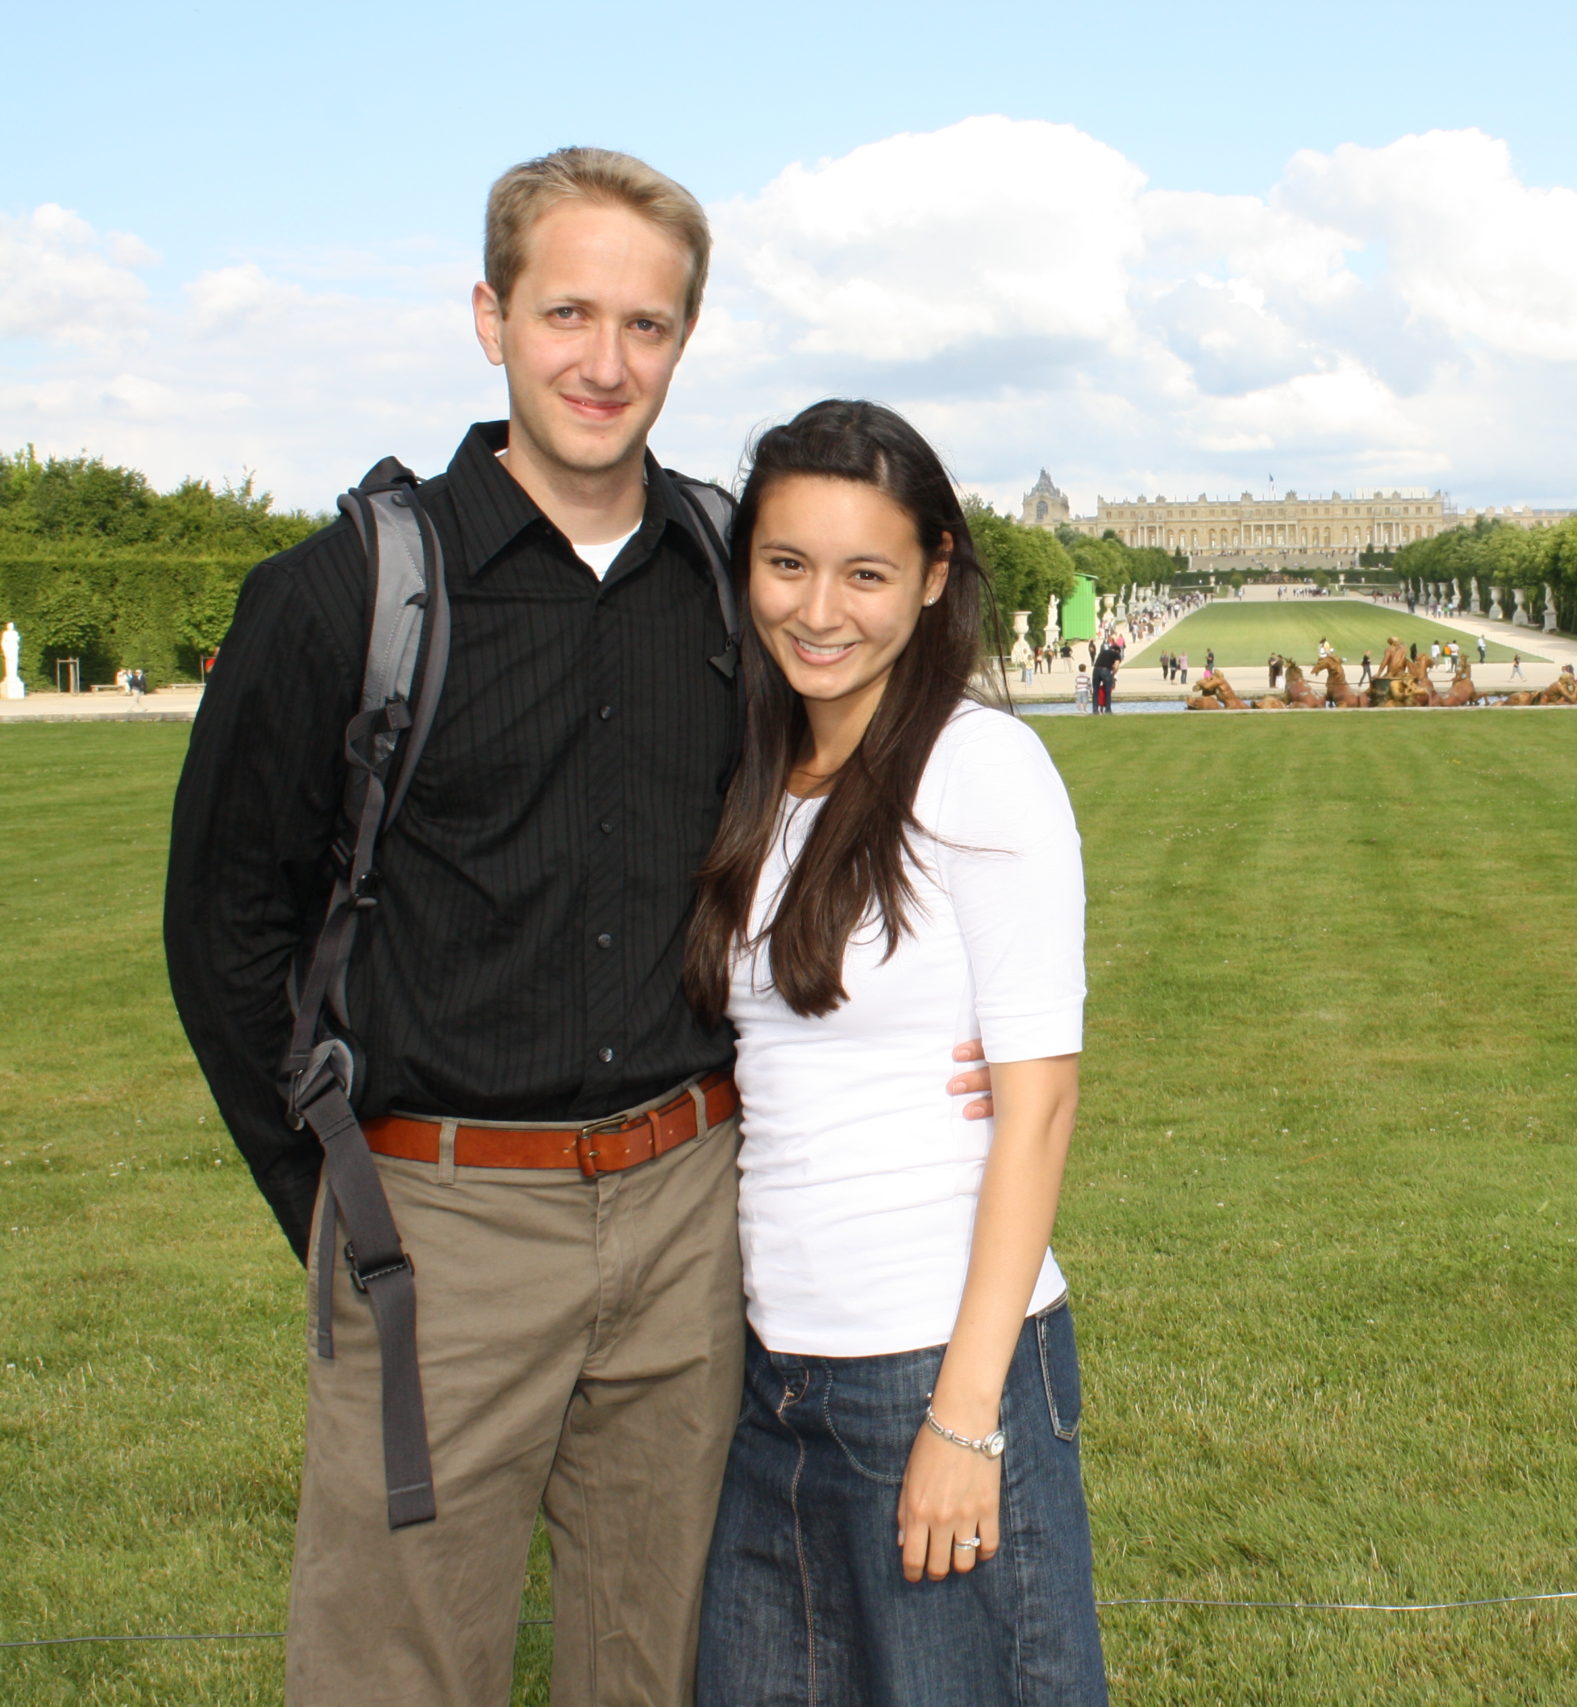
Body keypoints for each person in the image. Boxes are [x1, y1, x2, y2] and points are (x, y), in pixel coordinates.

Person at [162, 150, 990, 1705]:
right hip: (441, 1217)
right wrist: (339, 1206)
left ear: (686, 339)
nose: (606, 363)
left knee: (665, 1665)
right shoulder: (341, 594)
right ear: (490, 317)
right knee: (394, 1672)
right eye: (566, 314)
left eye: (649, 325)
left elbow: (880, 801)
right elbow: (222, 931)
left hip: (689, 1212)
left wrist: (957, 1050)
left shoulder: (738, 578)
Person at [688, 401, 1106, 1704]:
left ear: (933, 579)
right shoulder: (762, 772)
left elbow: (1037, 1110)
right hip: (776, 1379)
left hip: (931, 1361)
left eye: (867, 573)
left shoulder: (980, 767)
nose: (821, 609)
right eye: (787, 563)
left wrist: (965, 1418)